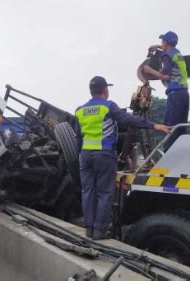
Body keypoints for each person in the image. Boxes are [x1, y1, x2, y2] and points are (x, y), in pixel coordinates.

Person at [75, 76, 170, 240]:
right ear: (105, 90)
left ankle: (89, 229)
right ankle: (99, 231)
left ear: (91, 91)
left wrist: (81, 155)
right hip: (103, 155)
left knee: (88, 192)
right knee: (104, 193)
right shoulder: (108, 107)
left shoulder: (80, 110)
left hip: (86, 155)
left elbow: (77, 137)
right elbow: (129, 120)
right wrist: (154, 125)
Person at [143, 31, 190, 151]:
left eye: (162, 42)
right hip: (184, 94)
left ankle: (169, 157)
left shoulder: (167, 56)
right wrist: (157, 47)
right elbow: (169, 50)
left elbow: (166, 76)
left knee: (170, 127)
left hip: (175, 95)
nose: (161, 44)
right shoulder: (177, 53)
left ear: (166, 43)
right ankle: (180, 154)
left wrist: (149, 70)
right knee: (180, 129)